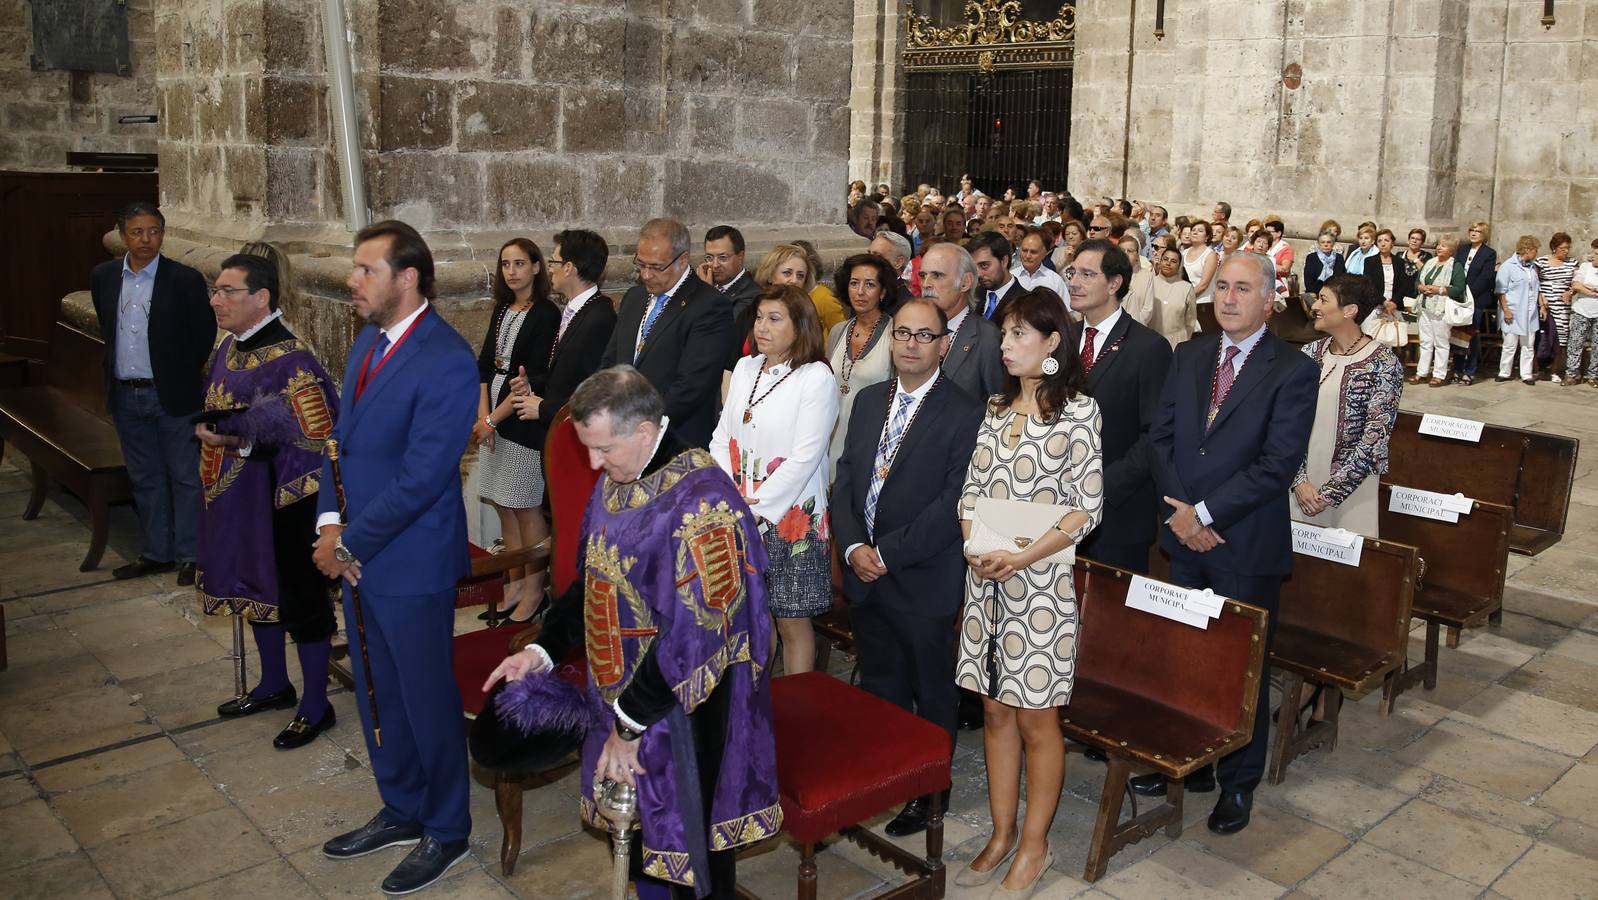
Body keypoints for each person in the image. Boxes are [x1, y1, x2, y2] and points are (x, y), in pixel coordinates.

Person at [485, 367, 780, 899]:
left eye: (602, 450)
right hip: (623, 698)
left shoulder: (702, 503)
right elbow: (590, 581)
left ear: (644, 433)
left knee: (688, 855)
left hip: (686, 711)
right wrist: (541, 650)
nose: (594, 465)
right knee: (638, 841)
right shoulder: (622, 476)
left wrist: (629, 723)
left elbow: (699, 638)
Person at [312, 220, 479, 894]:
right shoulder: (367, 343)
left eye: (365, 270)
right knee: (379, 693)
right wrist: (329, 521)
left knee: (425, 696)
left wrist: (349, 540)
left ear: (406, 278)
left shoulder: (446, 358)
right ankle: (402, 805)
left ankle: (447, 828)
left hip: (410, 561)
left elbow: (422, 477)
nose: (353, 281)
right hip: (359, 556)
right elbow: (340, 445)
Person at [1141, 251, 1318, 835]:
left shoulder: (1292, 368)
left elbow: (1276, 464)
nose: (1230, 298)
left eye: (1243, 289)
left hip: (1244, 542)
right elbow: (1161, 438)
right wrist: (1182, 513)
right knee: (1185, 653)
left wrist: (1207, 513)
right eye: (1222, 287)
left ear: (1270, 300)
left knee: (1242, 664)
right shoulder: (1189, 355)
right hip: (1184, 536)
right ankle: (1192, 761)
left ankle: (1237, 783)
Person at [953, 289, 1103, 895]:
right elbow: (970, 490)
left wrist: (1020, 556)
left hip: (1040, 587)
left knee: (1037, 718)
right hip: (985, 578)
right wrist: (973, 546)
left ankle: (1035, 844)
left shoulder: (1080, 413)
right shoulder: (992, 408)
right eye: (1005, 334)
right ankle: (1001, 829)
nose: (1007, 345)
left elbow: (1084, 508)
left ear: (1052, 344)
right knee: (993, 709)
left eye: (1019, 335)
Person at [831, 297, 983, 837]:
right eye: (902, 334)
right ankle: (887, 777)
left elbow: (953, 502)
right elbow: (847, 476)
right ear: (890, 339)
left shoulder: (967, 411)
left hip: (921, 576)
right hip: (864, 573)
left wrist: (888, 554)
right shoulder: (871, 400)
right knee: (882, 683)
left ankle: (929, 791)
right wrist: (852, 549)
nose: (911, 345)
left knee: (930, 688)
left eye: (925, 336)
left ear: (944, 345)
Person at [195, 253, 339, 749]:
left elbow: (317, 437)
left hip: (286, 500)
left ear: (261, 298)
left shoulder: (292, 360)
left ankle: (317, 705)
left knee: (299, 595)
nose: (217, 300)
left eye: (227, 291)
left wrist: (233, 441)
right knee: (253, 586)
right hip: (237, 498)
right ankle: (274, 683)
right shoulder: (229, 347)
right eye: (215, 291)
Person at [711, 287, 837, 676]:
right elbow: (722, 436)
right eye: (760, 317)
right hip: (738, 507)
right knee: (753, 616)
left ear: (799, 327)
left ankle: (800, 707)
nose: (762, 327)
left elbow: (805, 457)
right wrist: (727, 495)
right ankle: (756, 703)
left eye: (774, 318)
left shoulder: (815, 377)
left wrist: (757, 510)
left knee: (791, 621)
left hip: (791, 517)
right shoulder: (747, 368)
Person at [90, 201, 213, 585]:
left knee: (184, 476)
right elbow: (109, 330)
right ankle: (157, 552)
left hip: (171, 394)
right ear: (123, 235)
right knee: (145, 477)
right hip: (126, 393)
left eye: (154, 231)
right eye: (137, 232)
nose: (146, 239)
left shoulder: (184, 279)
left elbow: (202, 335)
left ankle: (191, 554)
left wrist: (176, 374)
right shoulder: (106, 276)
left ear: (163, 233)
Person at [1069, 239, 1173, 573]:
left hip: (1117, 514)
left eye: (1087, 274)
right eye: (1072, 272)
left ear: (1114, 283)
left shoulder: (1149, 348)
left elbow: (1155, 435)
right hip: (1056, 508)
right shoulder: (1061, 338)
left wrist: (1099, 486)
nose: (1074, 282)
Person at [472, 238, 560, 625]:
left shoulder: (545, 313)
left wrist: (494, 419)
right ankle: (513, 585)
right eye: (505, 263)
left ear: (537, 267)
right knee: (504, 505)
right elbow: (485, 368)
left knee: (525, 506)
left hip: (522, 420)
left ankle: (535, 591)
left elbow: (531, 377)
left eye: (520, 263)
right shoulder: (501, 309)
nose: (512, 271)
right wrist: (483, 417)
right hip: (494, 418)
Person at [600, 217, 733, 448]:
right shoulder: (634, 298)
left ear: (682, 260)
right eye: (641, 264)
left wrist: (636, 426)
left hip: (675, 442)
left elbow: (692, 386)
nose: (646, 275)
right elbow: (611, 359)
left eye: (656, 267)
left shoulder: (709, 306)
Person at [509, 226, 618, 504]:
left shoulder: (599, 318)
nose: (550, 269)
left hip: (579, 442)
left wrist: (543, 408)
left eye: (554, 262)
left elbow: (593, 390)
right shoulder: (576, 310)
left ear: (569, 268)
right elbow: (565, 371)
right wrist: (532, 384)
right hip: (561, 436)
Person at [1292, 275, 1402, 537]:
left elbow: (1374, 438)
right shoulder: (1308, 355)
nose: (1315, 306)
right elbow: (1284, 423)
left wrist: (1329, 494)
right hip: (1300, 488)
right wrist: (1299, 482)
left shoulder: (1382, 363)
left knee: (1343, 571)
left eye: (1323, 300)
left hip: (1353, 490)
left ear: (1349, 311)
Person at [827, 253, 900, 475]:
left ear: (883, 291)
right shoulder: (838, 331)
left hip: (872, 441)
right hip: (830, 438)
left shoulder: (896, 332)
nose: (860, 292)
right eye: (854, 283)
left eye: (869, 284)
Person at [920, 242, 1005, 399]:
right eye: (923, 276)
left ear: (965, 282)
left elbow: (997, 407)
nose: (926, 284)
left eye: (937, 275)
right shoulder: (913, 329)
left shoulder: (988, 339)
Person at [699, 225, 761, 366]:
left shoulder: (752, 295)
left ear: (740, 257)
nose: (714, 265)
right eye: (709, 257)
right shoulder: (702, 287)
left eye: (722, 257)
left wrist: (706, 294)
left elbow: (722, 335)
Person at [1412, 236, 1465, 386]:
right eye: (1439, 245)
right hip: (1425, 306)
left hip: (1441, 308)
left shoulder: (1456, 266)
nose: (1439, 248)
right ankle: (1421, 372)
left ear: (1452, 250)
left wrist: (1439, 290)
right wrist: (1421, 287)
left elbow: (1459, 289)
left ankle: (1439, 374)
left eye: (1444, 246)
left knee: (1441, 342)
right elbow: (1418, 280)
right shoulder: (1430, 262)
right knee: (1425, 341)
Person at [1126, 245, 1200, 348]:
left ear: (1179, 265)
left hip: (1177, 342)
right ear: (1160, 261)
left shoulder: (1186, 287)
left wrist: (1184, 340)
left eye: (1174, 261)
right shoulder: (1149, 283)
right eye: (1165, 259)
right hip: (1150, 340)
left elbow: (1190, 320)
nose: (1168, 263)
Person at [1455, 221, 1498, 384]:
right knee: (1458, 335)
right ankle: (1458, 368)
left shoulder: (1489, 253)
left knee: (1471, 335)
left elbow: (1486, 277)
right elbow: (1456, 270)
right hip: (1458, 298)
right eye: (1471, 230)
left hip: (1476, 299)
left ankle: (1470, 370)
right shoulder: (1462, 249)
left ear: (1484, 234)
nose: (1473, 233)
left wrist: (1468, 294)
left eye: (1478, 231)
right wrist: (1457, 291)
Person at [1496, 235, 1542, 385]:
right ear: (1528, 250)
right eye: (1535, 250)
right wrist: (1506, 310)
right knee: (1510, 344)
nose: (1537, 254)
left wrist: (1541, 304)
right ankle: (1504, 372)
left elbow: (1536, 288)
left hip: (1530, 313)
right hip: (1514, 311)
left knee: (1528, 345)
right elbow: (1501, 291)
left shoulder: (1533, 267)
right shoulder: (1508, 266)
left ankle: (1526, 374)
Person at [1534, 232, 1577, 382]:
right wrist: (1541, 300)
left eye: (1567, 248)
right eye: (1562, 248)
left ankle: (1554, 370)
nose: (1566, 251)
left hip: (1563, 307)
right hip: (1545, 305)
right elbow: (1534, 283)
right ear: (1554, 248)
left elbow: (1577, 282)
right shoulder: (1541, 262)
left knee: (1561, 338)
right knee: (1541, 336)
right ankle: (1537, 369)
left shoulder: (1572, 263)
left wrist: (1571, 291)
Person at [969, 231, 1024, 321]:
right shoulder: (971, 296)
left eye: (984, 265)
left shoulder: (1025, 302)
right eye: (973, 267)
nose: (978, 274)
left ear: (1004, 261)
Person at [1565, 239, 1598, 386]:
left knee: (1597, 346)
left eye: (1596, 254)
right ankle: (1572, 374)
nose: (1593, 257)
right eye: (1594, 253)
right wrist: (1592, 292)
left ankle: (1593, 376)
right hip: (1582, 311)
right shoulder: (1585, 267)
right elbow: (1576, 285)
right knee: (1575, 343)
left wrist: (1587, 287)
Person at [1363, 229, 1414, 318]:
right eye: (1380, 241)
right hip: (1375, 306)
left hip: (1394, 306)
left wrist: (1393, 302)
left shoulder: (1399, 262)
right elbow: (1368, 284)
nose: (1383, 244)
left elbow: (1403, 285)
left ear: (1392, 243)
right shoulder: (1369, 261)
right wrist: (1383, 302)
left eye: (1386, 240)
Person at [1012, 229, 1069, 298]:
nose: (1027, 256)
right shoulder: (1011, 277)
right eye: (1024, 250)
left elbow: (1066, 308)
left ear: (1044, 254)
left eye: (1033, 252)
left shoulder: (1055, 280)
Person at [1183, 221, 1219, 303]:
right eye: (1193, 230)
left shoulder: (1210, 255)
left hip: (1201, 302)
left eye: (1200, 231)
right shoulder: (1184, 253)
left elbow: (1203, 284)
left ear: (1207, 237)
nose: (1195, 232)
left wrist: (1186, 297)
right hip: (1183, 300)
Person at [1303, 230, 1346, 298]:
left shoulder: (1339, 258)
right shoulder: (1311, 257)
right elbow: (1308, 281)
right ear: (1319, 244)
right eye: (1323, 242)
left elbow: (1341, 279)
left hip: (1334, 293)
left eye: (1328, 242)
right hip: (1315, 293)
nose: (1326, 245)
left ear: (1333, 243)